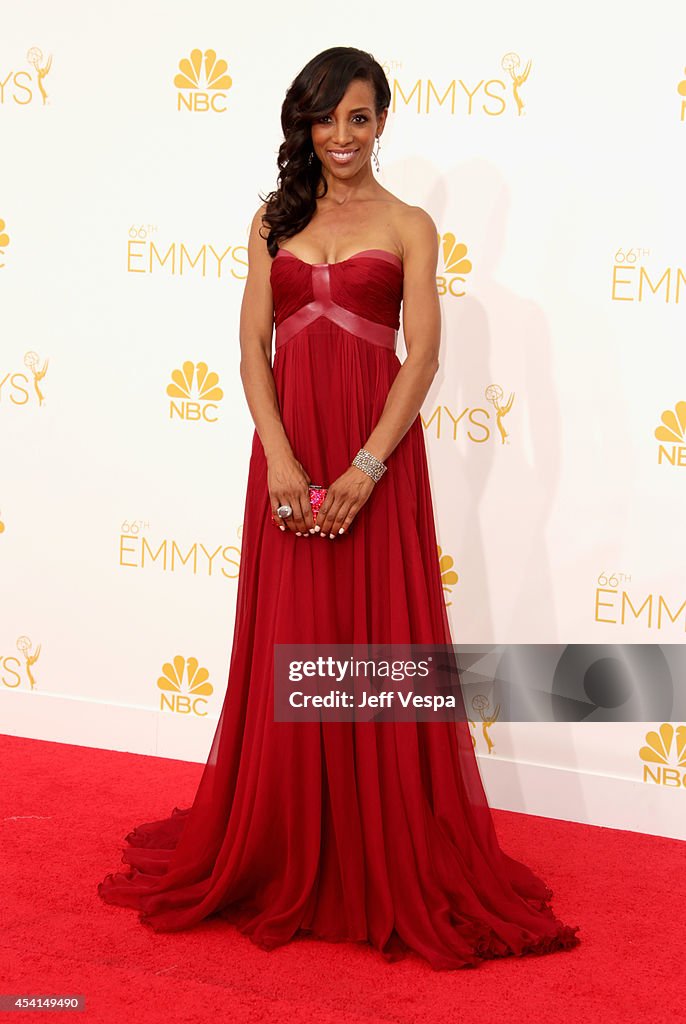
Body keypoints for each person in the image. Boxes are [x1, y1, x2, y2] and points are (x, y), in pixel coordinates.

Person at [98, 45, 581, 971]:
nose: (342, 135)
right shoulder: (273, 221)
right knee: (290, 645)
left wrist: (364, 467)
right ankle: (283, 842)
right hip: (287, 462)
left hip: (376, 465)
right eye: (326, 117)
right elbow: (250, 350)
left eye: (358, 117)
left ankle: (371, 847)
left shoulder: (409, 226)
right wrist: (281, 459)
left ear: (382, 123)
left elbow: (423, 357)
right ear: (305, 126)